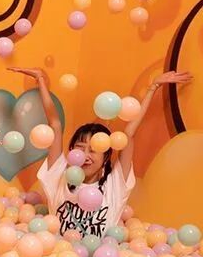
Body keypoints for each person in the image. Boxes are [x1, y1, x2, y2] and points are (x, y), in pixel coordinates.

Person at [10, 66, 193, 238]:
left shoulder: (115, 184)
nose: (85, 155)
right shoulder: (59, 177)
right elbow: (55, 124)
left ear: (106, 157)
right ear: (71, 151)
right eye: (80, 147)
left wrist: (154, 86)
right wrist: (41, 80)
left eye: (93, 149)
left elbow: (129, 133)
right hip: (59, 255)